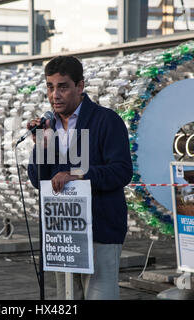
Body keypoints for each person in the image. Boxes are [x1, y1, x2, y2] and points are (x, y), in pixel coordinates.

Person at [27, 56, 133, 300]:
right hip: (61, 234)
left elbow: (121, 171)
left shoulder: (106, 121)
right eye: (50, 87)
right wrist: (42, 145)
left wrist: (77, 175)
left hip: (100, 231)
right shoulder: (49, 126)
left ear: (80, 86)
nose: (55, 95)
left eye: (63, 87)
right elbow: (37, 180)